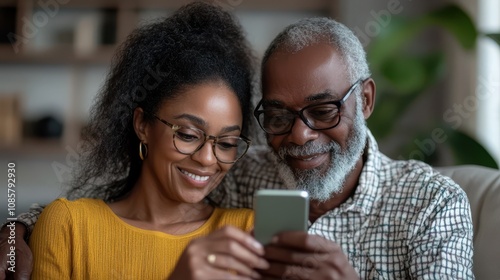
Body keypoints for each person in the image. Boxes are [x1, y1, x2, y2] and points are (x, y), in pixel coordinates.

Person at [1, 14, 474, 280]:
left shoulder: (432, 206)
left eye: (324, 110)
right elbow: (113, 210)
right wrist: (16, 229)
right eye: (279, 116)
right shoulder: (245, 186)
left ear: (365, 99)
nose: (300, 135)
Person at [5, 2, 271, 280]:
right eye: (188, 135)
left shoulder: (246, 234)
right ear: (142, 124)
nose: (207, 159)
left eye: (227, 143)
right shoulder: (68, 227)